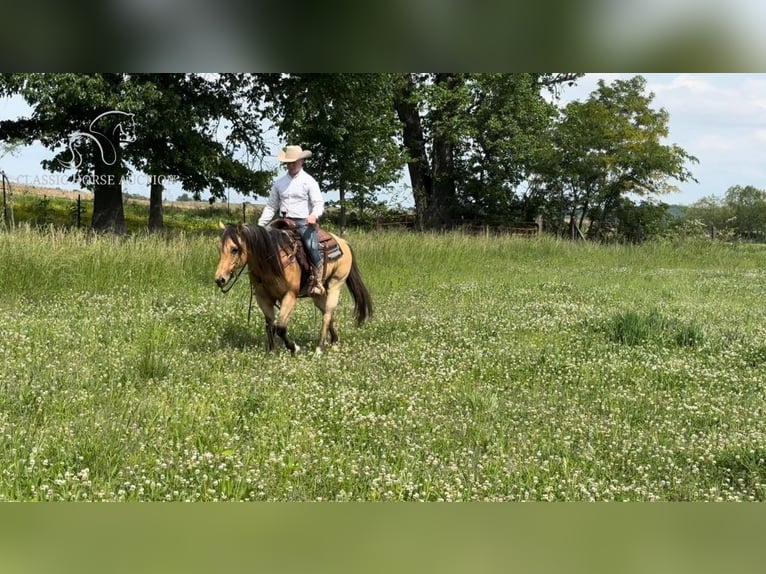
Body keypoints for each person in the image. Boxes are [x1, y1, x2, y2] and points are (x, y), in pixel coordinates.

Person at [257, 145, 326, 296]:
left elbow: (318, 204)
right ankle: (262, 280)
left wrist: (314, 215)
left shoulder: (309, 181)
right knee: (263, 244)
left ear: (301, 161)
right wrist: (261, 225)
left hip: (303, 222)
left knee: (312, 246)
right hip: (282, 221)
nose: (291, 165)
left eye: (294, 162)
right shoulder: (279, 183)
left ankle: (318, 282)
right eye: (288, 162)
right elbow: (271, 206)